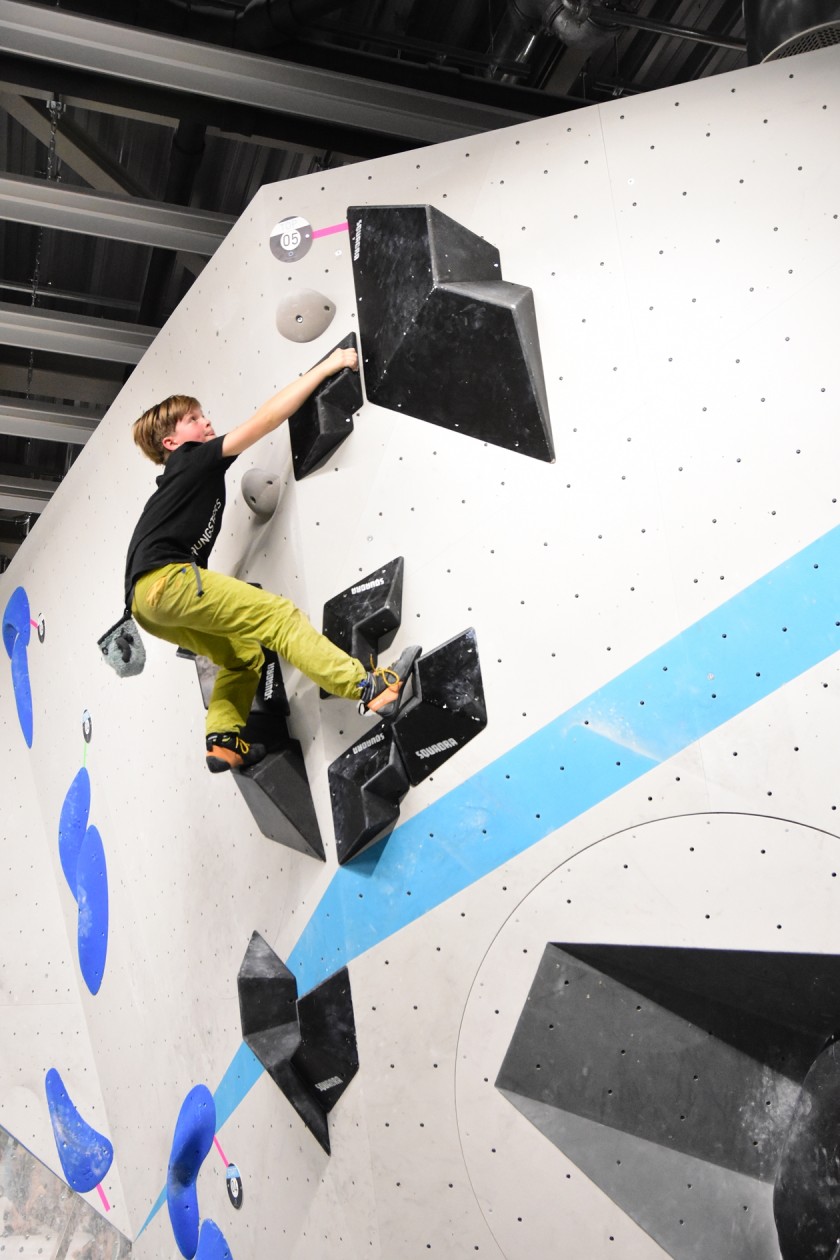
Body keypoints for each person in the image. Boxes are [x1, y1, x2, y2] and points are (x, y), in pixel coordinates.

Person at [125, 346, 419, 773]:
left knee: (244, 656)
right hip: (167, 583)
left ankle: (224, 739)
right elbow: (265, 419)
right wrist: (331, 366)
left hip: (147, 607)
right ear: (171, 442)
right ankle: (371, 688)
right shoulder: (192, 460)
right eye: (193, 419)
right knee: (278, 619)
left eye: (203, 414)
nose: (206, 422)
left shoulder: (176, 481)